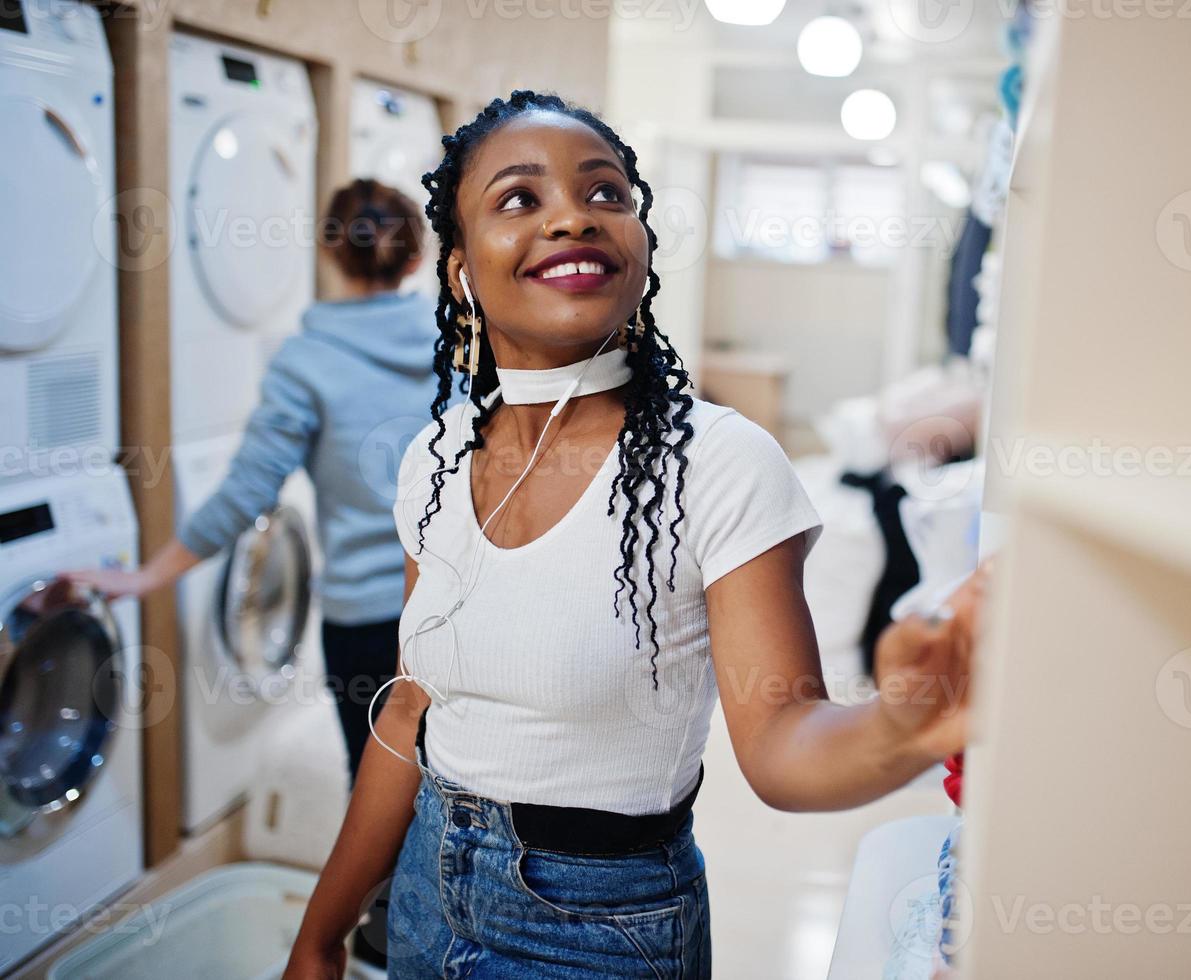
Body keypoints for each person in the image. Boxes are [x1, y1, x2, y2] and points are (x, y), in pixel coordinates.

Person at [281, 90, 985, 980]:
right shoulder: (436, 458)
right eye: (519, 199)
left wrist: (900, 728)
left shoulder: (719, 463)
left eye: (605, 193)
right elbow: (411, 710)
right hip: (426, 891)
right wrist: (321, 933)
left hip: (598, 929)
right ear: (459, 270)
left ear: (639, 243)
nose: (574, 216)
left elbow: (779, 743)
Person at [63, 177, 440, 969]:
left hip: (367, 621)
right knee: (457, 789)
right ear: (417, 252)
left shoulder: (307, 359)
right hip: (456, 607)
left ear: (331, 250)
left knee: (376, 789)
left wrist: (148, 574)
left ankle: (381, 945)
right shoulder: (456, 340)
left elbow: (246, 490)